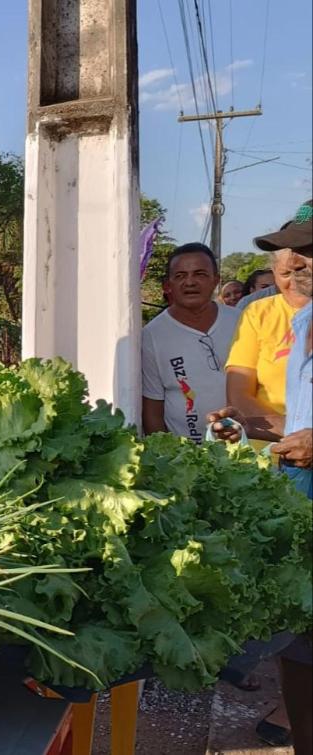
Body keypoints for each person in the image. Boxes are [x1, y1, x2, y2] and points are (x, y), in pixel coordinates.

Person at [208, 199, 312, 753]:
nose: (294, 265)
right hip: (296, 487)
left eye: (306, 252)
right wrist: (247, 429)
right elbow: (279, 412)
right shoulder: (292, 321)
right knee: (301, 638)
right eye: (286, 257)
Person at [142, 242, 241, 443]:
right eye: (180, 276)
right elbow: (152, 410)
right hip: (188, 461)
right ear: (168, 285)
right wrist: (168, 460)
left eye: (200, 274)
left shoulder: (242, 321)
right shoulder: (151, 336)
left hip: (245, 449)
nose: (190, 282)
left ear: (216, 281)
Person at [224, 241, 310, 444]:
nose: (296, 282)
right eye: (286, 274)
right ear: (274, 273)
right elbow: (238, 396)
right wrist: (295, 436)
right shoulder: (258, 312)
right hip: (269, 452)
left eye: (303, 271)